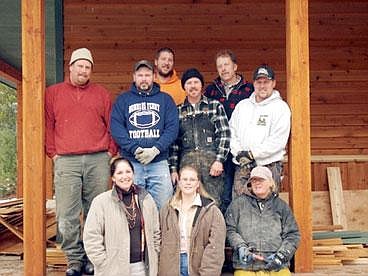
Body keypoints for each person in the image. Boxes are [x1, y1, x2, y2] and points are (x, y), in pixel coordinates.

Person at [45, 47, 117, 276]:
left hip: (97, 158)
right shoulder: (53, 93)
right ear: (71, 67)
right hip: (66, 159)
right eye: (80, 66)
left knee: (95, 210)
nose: (84, 70)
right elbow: (48, 125)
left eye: (88, 67)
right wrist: (53, 153)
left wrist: (110, 152)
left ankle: (92, 257)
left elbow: (112, 124)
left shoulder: (101, 93)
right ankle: (74, 260)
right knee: (66, 213)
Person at [111, 60, 179, 210]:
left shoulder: (165, 100)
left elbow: (172, 128)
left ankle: (161, 235)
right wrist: (135, 149)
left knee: (164, 208)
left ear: (154, 76)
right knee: (132, 208)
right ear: (134, 77)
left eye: (147, 75)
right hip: (132, 164)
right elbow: (116, 128)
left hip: (159, 163)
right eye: (140, 75)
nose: (143, 78)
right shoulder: (123, 100)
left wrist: (155, 149)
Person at [83, 157, 160, 276]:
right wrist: (104, 264)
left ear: (133, 174)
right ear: (113, 177)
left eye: (128, 172)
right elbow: (91, 237)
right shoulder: (101, 202)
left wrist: (155, 256)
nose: (125, 176)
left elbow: (155, 232)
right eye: (119, 173)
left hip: (143, 268)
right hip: (113, 269)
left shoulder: (146, 199)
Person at [169, 68, 230, 207]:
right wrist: (173, 169)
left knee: (214, 203)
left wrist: (219, 160)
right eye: (189, 83)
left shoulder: (215, 106)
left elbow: (224, 134)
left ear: (201, 85)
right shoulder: (177, 111)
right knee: (188, 203)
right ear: (184, 87)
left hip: (212, 166)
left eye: (196, 82)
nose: (193, 86)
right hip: (187, 165)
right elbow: (173, 144)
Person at [225, 166, 300, 276]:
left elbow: (293, 235)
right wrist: (241, 247)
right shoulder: (238, 204)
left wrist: (281, 256)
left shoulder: (281, 206)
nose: (257, 183)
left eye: (261, 180)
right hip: (246, 266)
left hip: (276, 266)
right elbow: (229, 229)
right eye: (254, 180)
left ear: (270, 183)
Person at [229, 64, 291, 196]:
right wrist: (239, 153)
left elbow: (277, 141)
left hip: (268, 166)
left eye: (266, 82)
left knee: (266, 210)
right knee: (240, 208)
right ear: (254, 84)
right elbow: (231, 132)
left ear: (273, 83)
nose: (262, 86)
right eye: (259, 82)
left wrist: (252, 154)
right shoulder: (242, 106)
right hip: (242, 167)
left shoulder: (281, 108)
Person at [204, 49, 254, 212]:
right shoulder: (211, 91)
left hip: (241, 149)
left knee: (242, 191)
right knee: (222, 193)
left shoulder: (249, 90)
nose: (223, 69)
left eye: (227, 65)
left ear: (235, 66)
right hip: (219, 149)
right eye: (220, 66)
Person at [159, 165, 226, 276]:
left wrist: (208, 272)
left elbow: (216, 246)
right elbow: (158, 239)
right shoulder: (167, 209)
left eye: (192, 179)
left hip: (197, 265)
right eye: (184, 179)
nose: (188, 182)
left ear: (198, 183)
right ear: (179, 183)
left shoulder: (211, 210)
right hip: (171, 265)